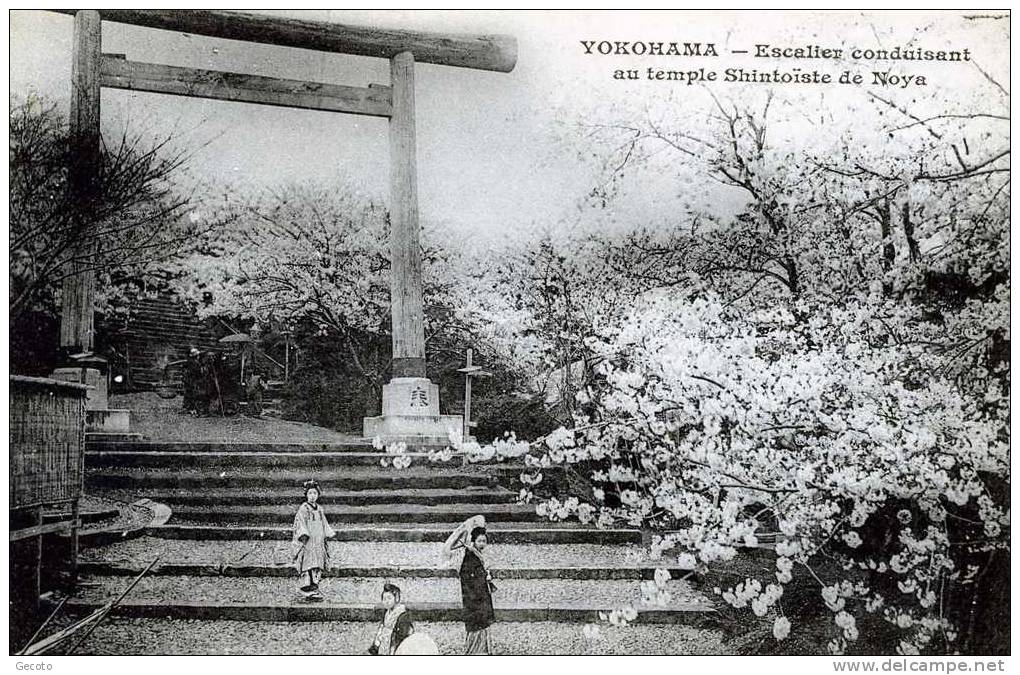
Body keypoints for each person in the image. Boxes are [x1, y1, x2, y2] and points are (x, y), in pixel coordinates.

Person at [443, 516, 496, 655]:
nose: (482, 543)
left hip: (480, 593)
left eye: (484, 541)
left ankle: (483, 648)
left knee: (481, 622)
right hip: (474, 594)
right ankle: (475, 650)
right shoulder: (469, 556)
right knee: (477, 621)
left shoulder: (478, 555)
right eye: (479, 541)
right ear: (473, 541)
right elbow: (467, 576)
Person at [292, 480, 336, 602]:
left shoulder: (320, 509)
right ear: (306, 495)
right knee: (309, 562)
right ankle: (306, 587)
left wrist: (327, 533)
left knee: (318, 562)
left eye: (315, 493)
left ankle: (315, 586)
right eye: (310, 493)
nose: (312, 496)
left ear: (318, 495)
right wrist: (304, 534)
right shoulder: (303, 508)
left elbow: (324, 523)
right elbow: (300, 523)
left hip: (319, 539)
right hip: (309, 539)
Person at [367, 583, 414, 655]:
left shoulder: (403, 615)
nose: (386, 601)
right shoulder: (386, 612)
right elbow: (381, 628)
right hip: (384, 643)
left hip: (396, 644)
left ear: (397, 598)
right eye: (384, 599)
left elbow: (405, 634)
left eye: (389, 598)